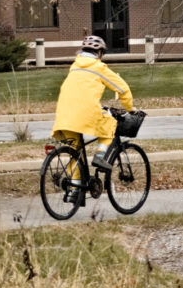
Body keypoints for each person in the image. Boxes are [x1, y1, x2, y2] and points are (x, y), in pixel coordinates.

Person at [51, 36, 135, 186]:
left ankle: (75, 189)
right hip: (85, 111)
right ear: (100, 52)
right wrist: (130, 108)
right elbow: (123, 89)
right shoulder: (99, 67)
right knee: (110, 123)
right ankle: (100, 155)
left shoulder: (74, 66)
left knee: (75, 152)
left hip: (64, 113)